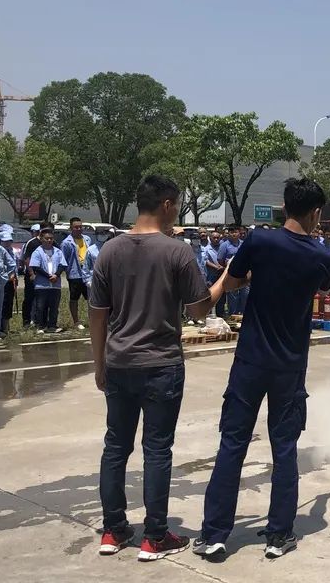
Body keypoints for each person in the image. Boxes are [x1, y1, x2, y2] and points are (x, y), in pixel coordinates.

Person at [196, 178, 330, 562]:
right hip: (289, 368)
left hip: (250, 362)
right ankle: (279, 535)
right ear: (315, 213)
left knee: (232, 444)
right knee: (285, 449)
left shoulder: (259, 240)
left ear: (285, 206)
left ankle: (215, 535)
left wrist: (252, 276)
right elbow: (326, 286)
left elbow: (233, 281)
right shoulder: (322, 256)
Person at [91, 175, 225, 561]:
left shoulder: (110, 251)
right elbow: (198, 309)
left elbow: (98, 315)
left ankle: (113, 530)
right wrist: (224, 283)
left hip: (119, 362)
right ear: (167, 204)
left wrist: (99, 363)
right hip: (161, 364)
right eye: (177, 204)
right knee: (157, 449)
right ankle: (155, 536)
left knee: (116, 447)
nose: (177, 211)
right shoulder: (176, 252)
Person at [29, 228, 68, 334]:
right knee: (40, 306)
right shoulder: (37, 252)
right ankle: (41, 326)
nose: (49, 240)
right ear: (42, 239)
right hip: (42, 285)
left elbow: (62, 264)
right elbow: (35, 266)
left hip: (55, 284)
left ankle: (52, 325)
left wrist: (56, 275)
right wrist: (48, 276)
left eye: (51, 238)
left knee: (54, 307)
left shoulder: (58, 251)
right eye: (47, 238)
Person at [60, 217, 94, 331]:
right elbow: (63, 259)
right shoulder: (66, 243)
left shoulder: (87, 239)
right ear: (71, 228)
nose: (79, 229)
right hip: (75, 274)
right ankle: (76, 322)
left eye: (80, 227)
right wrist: (67, 272)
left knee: (91, 298)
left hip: (88, 273)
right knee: (74, 298)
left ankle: (93, 319)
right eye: (76, 227)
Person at [217, 226, 246, 316]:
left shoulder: (244, 244)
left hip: (244, 273)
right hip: (231, 273)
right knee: (233, 296)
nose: (234, 234)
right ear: (228, 234)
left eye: (236, 232)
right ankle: (233, 315)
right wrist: (227, 267)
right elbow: (220, 259)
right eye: (231, 232)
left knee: (245, 294)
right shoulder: (224, 245)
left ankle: (243, 315)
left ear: (239, 233)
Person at [21, 223, 43, 328]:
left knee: (40, 298)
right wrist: (31, 273)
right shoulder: (31, 242)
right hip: (31, 274)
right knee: (29, 298)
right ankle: (27, 321)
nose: (37, 233)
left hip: (43, 274)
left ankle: (38, 320)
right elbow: (26, 258)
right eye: (35, 232)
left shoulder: (49, 242)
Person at [0, 229, 19, 336]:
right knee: (0, 304)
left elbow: (15, 266)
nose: (7, 243)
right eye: (5, 241)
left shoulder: (12, 251)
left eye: (9, 241)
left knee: (8, 304)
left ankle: (6, 328)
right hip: (2, 280)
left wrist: (15, 277)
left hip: (11, 281)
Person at [202, 229, 226, 318]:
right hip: (211, 275)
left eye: (217, 238)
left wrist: (223, 267)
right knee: (210, 294)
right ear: (210, 238)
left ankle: (220, 314)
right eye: (214, 238)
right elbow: (206, 261)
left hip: (222, 274)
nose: (216, 239)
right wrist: (216, 267)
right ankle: (208, 314)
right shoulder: (206, 249)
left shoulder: (223, 247)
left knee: (222, 294)